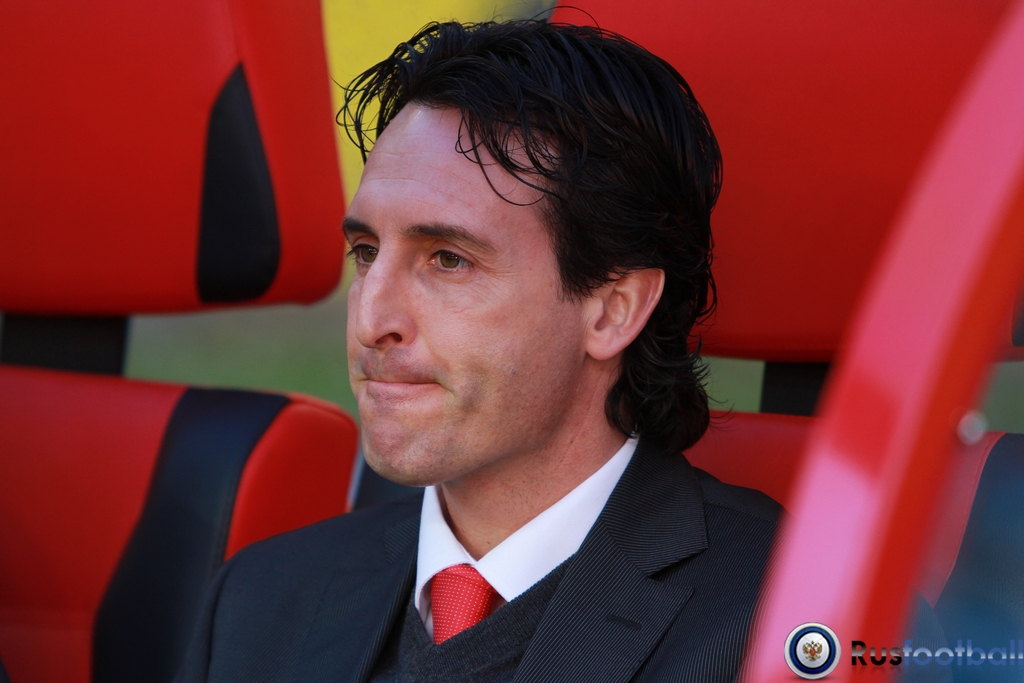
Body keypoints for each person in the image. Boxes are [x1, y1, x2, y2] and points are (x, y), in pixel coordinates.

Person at [176, 19, 780, 683]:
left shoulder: (788, 618)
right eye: (366, 252)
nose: (371, 319)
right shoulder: (257, 601)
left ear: (614, 309)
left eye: (448, 259)